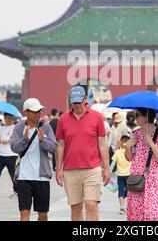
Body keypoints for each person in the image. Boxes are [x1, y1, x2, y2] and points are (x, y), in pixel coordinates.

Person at [55, 85, 110, 221]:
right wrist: (58, 169)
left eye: (79, 102)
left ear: (85, 99)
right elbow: (60, 146)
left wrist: (106, 169)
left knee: (91, 205)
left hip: (92, 168)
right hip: (70, 170)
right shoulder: (63, 119)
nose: (77, 106)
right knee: (76, 208)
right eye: (74, 103)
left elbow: (102, 145)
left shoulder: (97, 117)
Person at [10, 98, 57, 221]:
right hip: (24, 178)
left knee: (43, 215)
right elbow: (14, 147)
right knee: (24, 214)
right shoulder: (19, 128)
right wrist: (24, 140)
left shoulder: (45, 127)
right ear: (26, 112)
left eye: (39, 111)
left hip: (42, 178)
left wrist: (43, 140)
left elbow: (54, 147)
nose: (38, 114)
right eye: (35, 111)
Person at [124, 108, 158, 221]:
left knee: (154, 214)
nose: (135, 117)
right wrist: (128, 146)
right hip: (137, 180)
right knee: (136, 214)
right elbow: (129, 157)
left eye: (138, 115)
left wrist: (152, 144)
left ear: (146, 117)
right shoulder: (135, 134)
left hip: (155, 181)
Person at [111, 134, 131, 214]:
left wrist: (109, 172)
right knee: (129, 192)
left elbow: (113, 163)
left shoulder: (117, 152)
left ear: (120, 142)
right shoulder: (131, 151)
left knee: (121, 192)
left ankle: (122, 208)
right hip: (130, 175)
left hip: (120, 176)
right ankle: (129, 208)